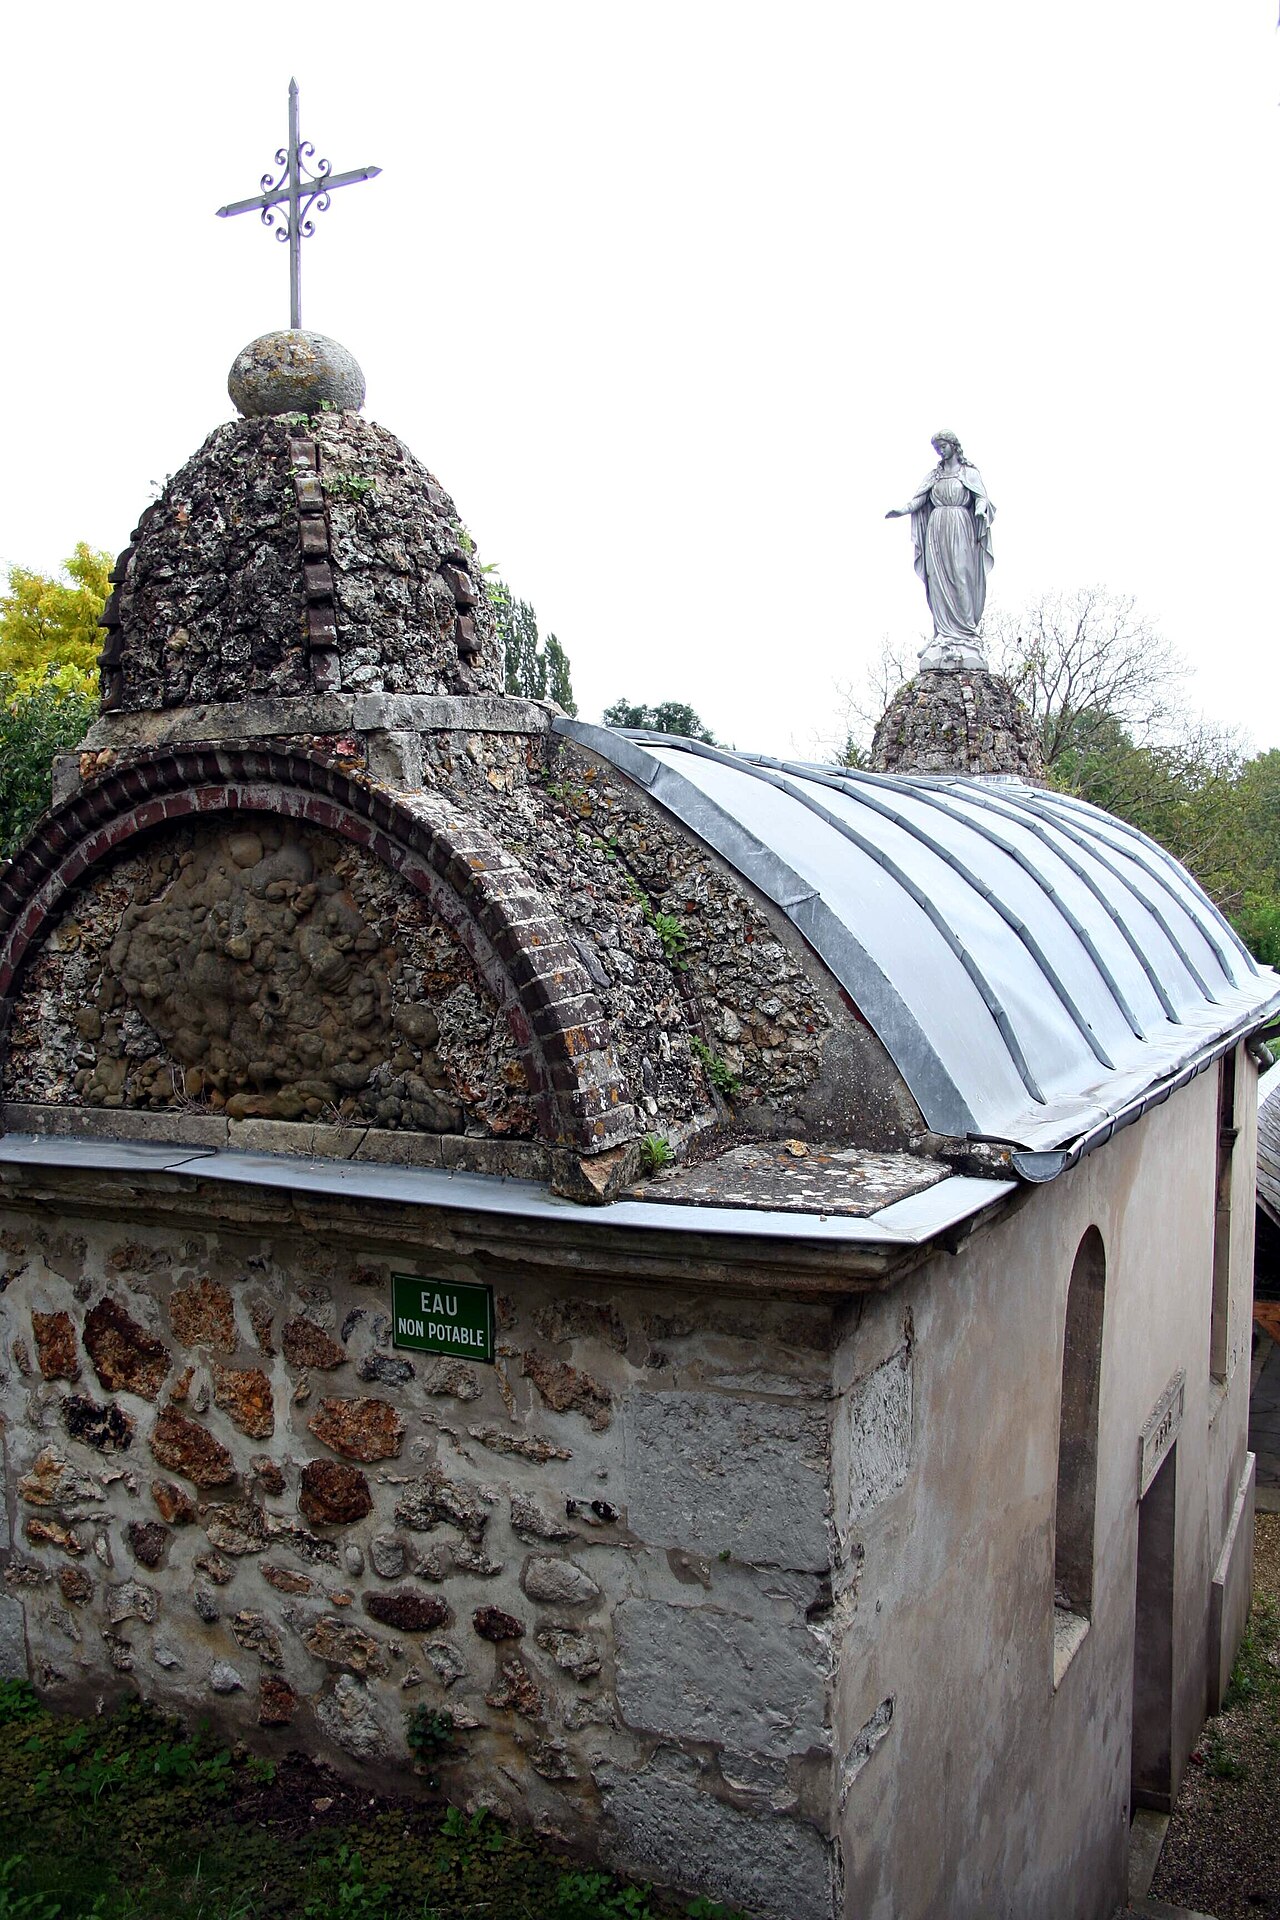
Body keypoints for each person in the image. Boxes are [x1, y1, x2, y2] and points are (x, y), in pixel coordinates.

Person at [887, 432, 995, 663]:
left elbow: (982, 498)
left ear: (954, 446)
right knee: (937, 581)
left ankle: (965, 633)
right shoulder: (934, 476)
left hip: (960, 527)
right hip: (936, 531)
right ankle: (943, 633)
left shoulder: (969, 473)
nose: (940, 451)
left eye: (943, 446)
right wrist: (903, 510)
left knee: (961, 576)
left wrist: (979, 508)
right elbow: (919, 500)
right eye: (937, 448)